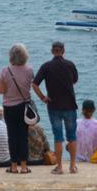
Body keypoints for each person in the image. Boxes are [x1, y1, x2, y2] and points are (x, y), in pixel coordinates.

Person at [33, 40, 79, 174]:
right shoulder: (70, 65)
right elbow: (75, 80)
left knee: (58, 137)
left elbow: (35, 85)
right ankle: (72, 166)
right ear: (63, 51)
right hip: (70, 105)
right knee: (72, 136)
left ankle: (59, 167)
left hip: (53, 106)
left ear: (52, 51)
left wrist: (43, 97)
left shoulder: (46, 66)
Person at [0, 43, 34, 174]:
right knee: (23, 136)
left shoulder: (5, 70)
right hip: (24, 107)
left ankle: (13, 166)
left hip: (9, 107)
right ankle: (24, 166)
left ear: (11, 56)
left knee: (12, 136)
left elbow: (1, 90)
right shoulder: (29, 70)